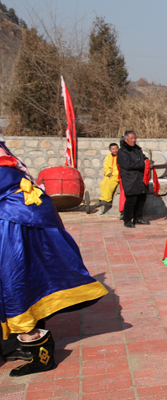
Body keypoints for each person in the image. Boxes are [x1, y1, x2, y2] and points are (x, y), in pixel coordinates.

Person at [0, 135, 108, 377]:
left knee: (16, 288)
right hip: (24, 221)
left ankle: (38, 351)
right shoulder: (7, 160)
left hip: (15, 226)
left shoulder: (5, 170)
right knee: (24, 286)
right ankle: (23, 345)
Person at [118, 130, 151, 228]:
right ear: (126, 139)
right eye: (131, 138)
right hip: (130, 179)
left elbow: (144, 158)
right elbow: (128, 164)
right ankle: (127, 220)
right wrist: (143, 164)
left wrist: (147, 162)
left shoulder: (138, 149)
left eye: (135, 138)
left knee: (141, 199)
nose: (133, 140)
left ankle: (138, 217)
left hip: (140, 178)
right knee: (131, 200)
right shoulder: (122, 151)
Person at [94, 143, 119, 215]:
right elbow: (106, 167)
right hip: (110, 174)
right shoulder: (108, 157)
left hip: (117, 174)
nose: (115, 150)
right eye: (113, 149)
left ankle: (107, 200)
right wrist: (108, 173)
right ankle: (103, 198)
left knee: (110, 183)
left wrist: (114, 174)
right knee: (103, 183)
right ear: (110, 150)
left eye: (116, 148)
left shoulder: (121, 156)